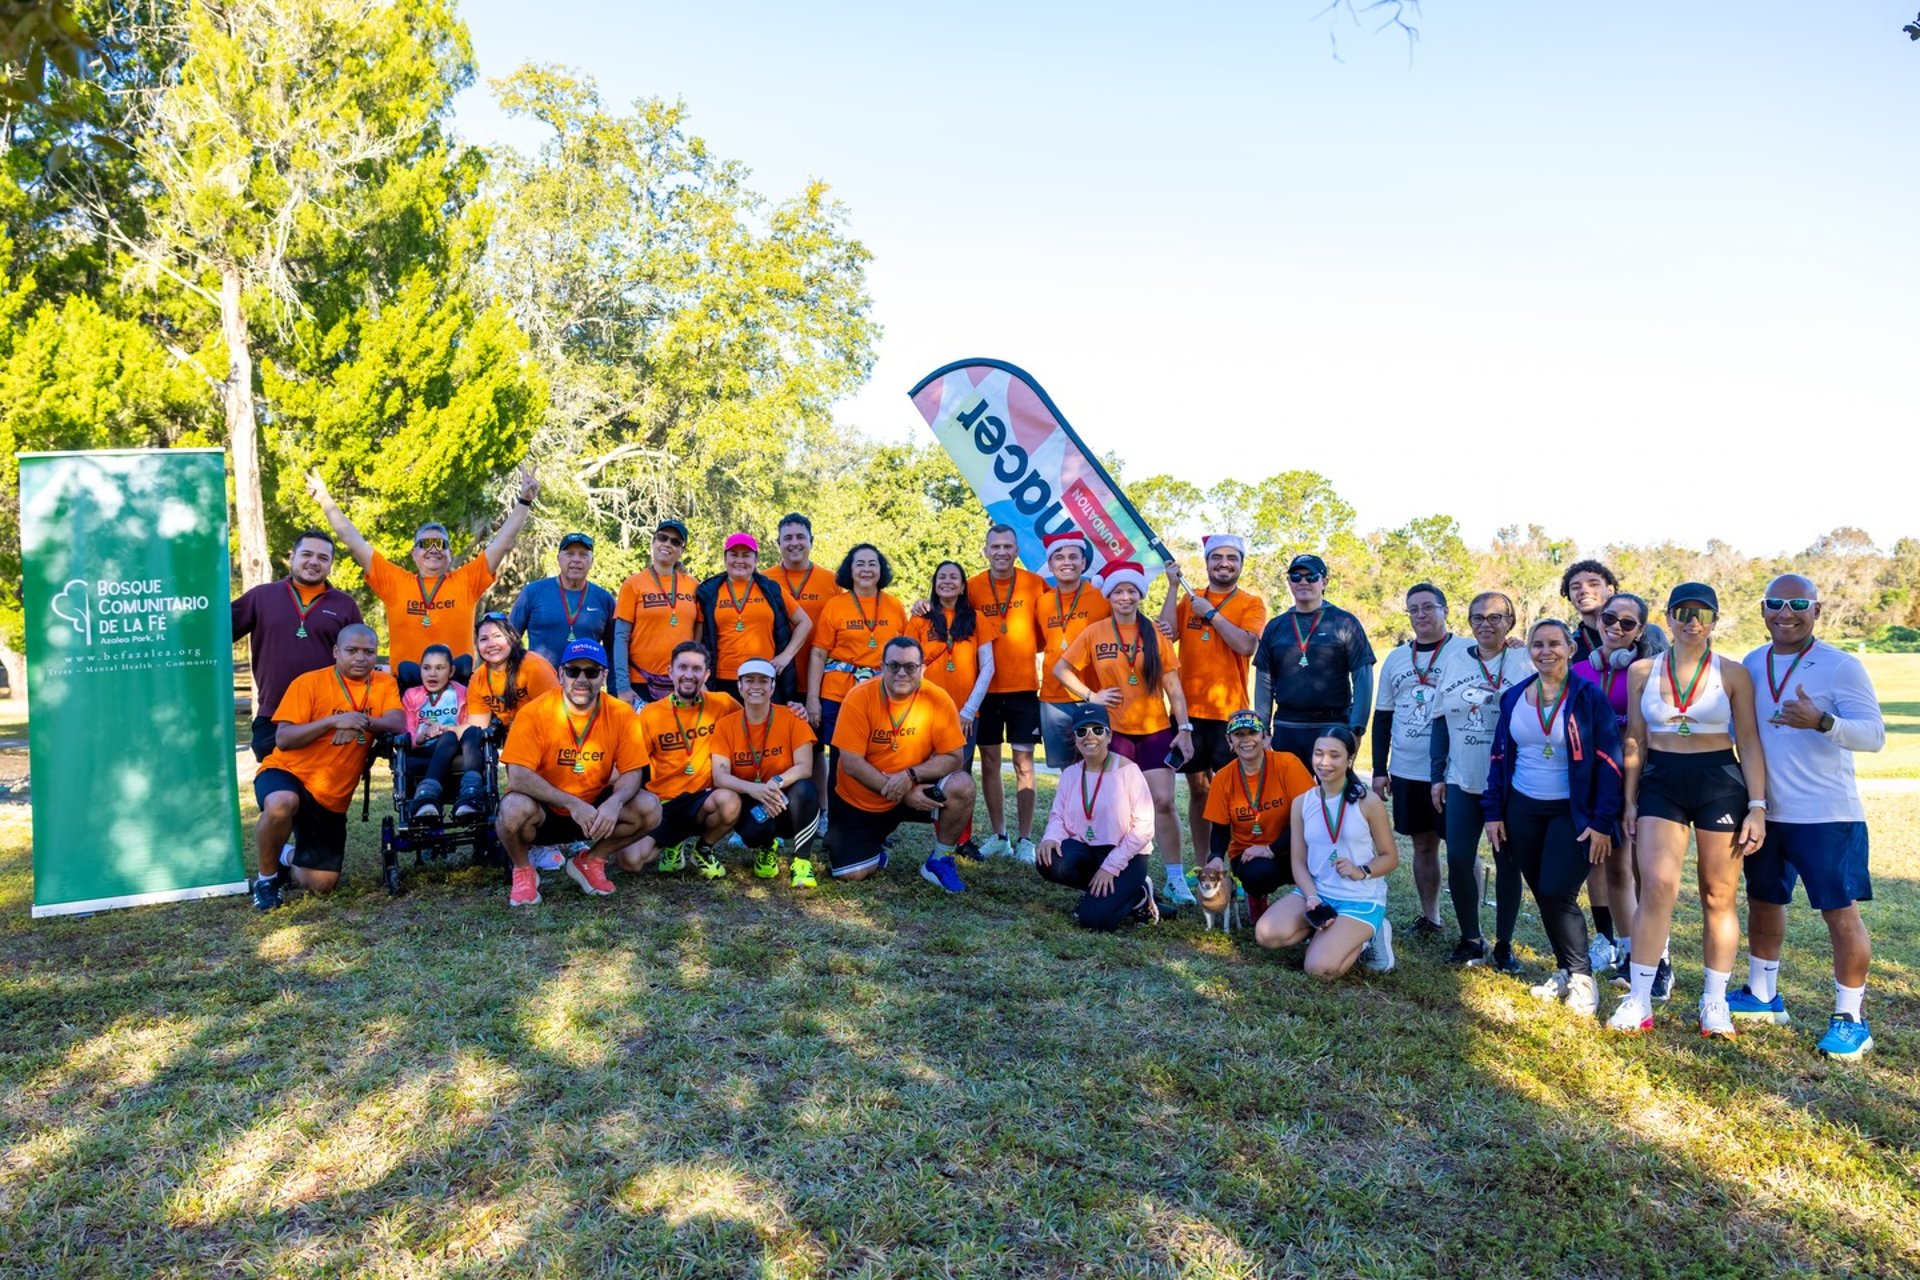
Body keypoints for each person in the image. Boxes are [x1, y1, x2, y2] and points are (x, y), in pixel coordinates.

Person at [1731, 575, 1885, 1058]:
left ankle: (1850, 1018)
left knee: (1840, 915)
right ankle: (1762, 994)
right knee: (1763, 900)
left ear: (1817, 609)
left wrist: (1823, 721)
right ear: (1763, 609)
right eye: (1776, 603)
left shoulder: (1842, 666)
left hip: (1827, 815)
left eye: (1799, 603)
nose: (1786, 612)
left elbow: (1874, 735)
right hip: (1766, 813)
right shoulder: (1753, 662)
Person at [1611, 583, 1769, 1036]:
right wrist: (1629, 800)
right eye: (1683, 611)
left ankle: (1714, 1001)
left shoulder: (1733, 673)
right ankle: (1639, 998)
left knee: (1717, 893)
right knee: (1658, 885)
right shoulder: (1642, 670)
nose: (1692, 620)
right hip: (1662, 781)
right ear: (1669, 618)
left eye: (1702, 612)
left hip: (1720, 780)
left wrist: (1757, 806)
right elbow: (1635, 739)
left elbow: (1751, 743)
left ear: (1715, 620)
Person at [1482, 620, 1623, 1018]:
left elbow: (1610, 764)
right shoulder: (1513, 697)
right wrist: (1493, 812)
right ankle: (1564, 969)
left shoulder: (1588, 697)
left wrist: (1601, 821)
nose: (1547, 651)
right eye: (1538, 644)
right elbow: (1498, 757)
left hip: (1572, 811)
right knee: (1543, 893)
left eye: (1555, 644)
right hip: (1523, 808)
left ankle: (1582, 979)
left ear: (1571, 648)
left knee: (1558, 890)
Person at [306, 465, 538, 685]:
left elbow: (502, 543)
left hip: (456, 688)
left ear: (449, 553)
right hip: (406, 687)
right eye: (425, 543)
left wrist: (524, 501)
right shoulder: (394, 582)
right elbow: (354, 541)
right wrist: (326, 501)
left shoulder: (467, 580)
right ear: (413, 552)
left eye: (441, 543)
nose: (434, 548)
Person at [1053, 561, 1195, 906]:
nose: (1126, 597)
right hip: (1112, 733)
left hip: (1155, 729)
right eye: (1119, 591)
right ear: (1110, 595)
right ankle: (1128, 873)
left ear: (1140, 594)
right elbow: (1061, 668)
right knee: (1116, 809)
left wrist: (1185, 728)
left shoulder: (1155, 633)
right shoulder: (1095, 631)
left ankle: (1175, 878)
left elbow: (1173, 686)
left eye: (1132, 590)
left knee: (1162, 802)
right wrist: (1091, 696)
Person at [249, 624, 404, 910]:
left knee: (321, 884)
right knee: (281, 802)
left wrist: (360, 721)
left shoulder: (384, 683)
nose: (361, 658)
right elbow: (283, 739)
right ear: (335, 652)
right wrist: (333, 721)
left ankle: (283, 856)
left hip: (331, 796)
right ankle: (266, 880)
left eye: (369, 652)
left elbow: (397, 723)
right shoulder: (309, 682)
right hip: (288, 772)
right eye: (352, 650)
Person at [496, 639, 660, 907]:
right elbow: (518, 776)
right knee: (511, 809)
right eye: (573, 671)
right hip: (545, 810)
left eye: (592, 672)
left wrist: (614, 803)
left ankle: (592, 861)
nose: (581, 679)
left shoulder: (621, 713)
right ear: (560, 674)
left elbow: (633, 771)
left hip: (594, 809)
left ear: (604, 677)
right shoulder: (534, 713)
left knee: (650, 807)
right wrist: (571, 803)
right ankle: (523, 870)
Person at [826, 635, 977, 890]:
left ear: (923, 669)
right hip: (862, 800)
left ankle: (940, 860)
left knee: (962, 786)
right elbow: (851, 762)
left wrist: (910, 777)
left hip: (914, 786)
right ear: (881, 666)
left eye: (910, 667)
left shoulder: (938, 699)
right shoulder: (858, 697)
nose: (901, 673)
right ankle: (871, 850)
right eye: (894, 666)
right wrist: (902, 793)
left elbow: (955, 757)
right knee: (850, 874)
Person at [1430, 593, 1529, 970]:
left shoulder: (1523, 659)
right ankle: (1470, 938)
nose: (1486, 625)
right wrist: (1438, 774)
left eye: (1495, 617)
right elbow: (1439, 720)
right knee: (1457, 857)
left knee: (1508, 862)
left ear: (1510, 621)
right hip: (1461, 777)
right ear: (1468, 622)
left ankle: (1504, 944)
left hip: (1510, 780)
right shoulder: (1454, 662)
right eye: (1478, 618)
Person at [1161, 534, 1268, 878]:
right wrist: (1173, 588)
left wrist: (1212, 616)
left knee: (1233, 794)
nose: (1224, 564)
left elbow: (1246, 646)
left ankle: (1232, 863)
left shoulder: (1251, 603)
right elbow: (1166, 636)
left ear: (1240, 564)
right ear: (1206, 563)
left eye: (1231, 558)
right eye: (1216, 558)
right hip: (1188, 715)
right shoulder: (1190, 599)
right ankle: (1204, 861)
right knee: (1198, 790)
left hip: (1230, 717)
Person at [1254, 725, 1399, 976]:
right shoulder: (1302, 802)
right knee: (1266, 933)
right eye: (1318, 753)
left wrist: (1361, 870)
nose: (1324, 762)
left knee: (1318, 968)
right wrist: (1311, 897)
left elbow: (1391, 857)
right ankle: (1327, 930)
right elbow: (1298, 861)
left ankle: (1370, 937)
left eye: (1334, 755)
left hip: (1359, 899)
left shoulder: (1368, 802)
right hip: (1318, 893)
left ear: (1350, 759)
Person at [1569, 591, 1653, 980]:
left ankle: (1640, 950)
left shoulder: (1646, 670)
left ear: (1640, 631)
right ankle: (1613, 943)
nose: (1615, 628)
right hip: (1589, 782)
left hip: (1631, 780)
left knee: (1629, 869)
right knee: (1600, 864)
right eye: (1608, 619)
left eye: (1627, 623)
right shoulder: (1580, 672)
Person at [231, 527, 364, 762]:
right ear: (292, 556)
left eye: (323, 557)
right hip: (274, 714)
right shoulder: (261, 597)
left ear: (331, 564)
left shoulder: (345, 605)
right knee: (277, 790)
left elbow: (360, 663)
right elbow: (214, 633)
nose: (314, 562)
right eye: (307, 554)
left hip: (328, 718)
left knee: (319, 794)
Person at [1370, 582, 1452, 941]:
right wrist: (1377, 768)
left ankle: (1472, 926)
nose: (1420, 615)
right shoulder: (1396, 658)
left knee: (1462, 849)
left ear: (1444, 610)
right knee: (1422, 844)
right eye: (1413, 609)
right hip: (1407, 768)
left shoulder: (1466, 652)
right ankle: (1430, 916)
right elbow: (1383, 716)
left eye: (1428, 607)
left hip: (1453, 770)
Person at [1035, 703, 1162, 930]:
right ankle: (1110, 892)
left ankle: (1139, 894)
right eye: (1082, 731)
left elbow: (1144, 829)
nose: (1089, 736)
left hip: (1125, 857)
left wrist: (1111, 867)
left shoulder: (1128, 771)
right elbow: (1058, 816)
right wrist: (1051, 837)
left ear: (1109, 735)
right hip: (1088, 850)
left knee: (1094, 920)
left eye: (1097, 730)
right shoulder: (1072, 773)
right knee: (1047, 860)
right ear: (1075, 737)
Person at [626, 642, 742, 879]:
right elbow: (632, 763)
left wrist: (793, 710)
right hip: (664, 804)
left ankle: (703, 849)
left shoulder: (723, 704)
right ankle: (674, 843)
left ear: (707, 675)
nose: (689, 675)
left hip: (703, 799)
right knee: (630, 861)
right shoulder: (650, 714)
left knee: (730, 801)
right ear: (671, 672)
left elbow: (755, 719)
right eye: (683, 667)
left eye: (697, 669)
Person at [968, 523, 1048, 862]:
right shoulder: (971, 586)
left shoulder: (1034, 584)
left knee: (1024, 763)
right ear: (985, 550)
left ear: (1017, 551)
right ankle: (1000, 835)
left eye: (1007, 546)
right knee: (988, 761)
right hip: (984, 690)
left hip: (1024, 689)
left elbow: (1046, 631)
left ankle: (1026, 839)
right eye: (995, 546)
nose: (1001, 552)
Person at [1252, 553, 1375, 769]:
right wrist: (1263, 729)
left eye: (1311, 577)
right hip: (1287, 727)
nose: (1303, 582)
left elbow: (1363, 676)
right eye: (1296, 577)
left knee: (1332, 799)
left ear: (1324, 581)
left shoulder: (1344, 622)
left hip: (1332, 726)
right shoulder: (1276, 626)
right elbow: (1263, 680)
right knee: (1289, 800)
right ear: (1289, 581)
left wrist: (1357, 729)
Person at [906, 561, 996, 855]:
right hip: (926, 712)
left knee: (961, 774)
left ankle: (961, 839)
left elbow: (987, 667)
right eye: (941, 577)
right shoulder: (921, 619)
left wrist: (968, 710)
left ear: (962, 586)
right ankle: (930, 830)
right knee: (923, 769)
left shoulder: (977, 619)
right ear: (934, 583)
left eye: (953, 578)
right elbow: (909, 665)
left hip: (965, 715)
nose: (947, 582)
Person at [808, 543, 908, 800]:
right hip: (838, 693)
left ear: (881, 570)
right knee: (842, 758)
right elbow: (818, 653)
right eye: (859, 564)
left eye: (872, 563)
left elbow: (907, 652)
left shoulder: (894, 605)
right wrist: (812, 700)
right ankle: (834, 821)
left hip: (880, 694)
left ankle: (873, 821)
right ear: (849, 570)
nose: (866, 570)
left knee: (879, 755)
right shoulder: (835, 605)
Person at [711, 658, 822, 888]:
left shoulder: (792, 717)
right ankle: (767, 846)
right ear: (739, 686)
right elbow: (720, 776)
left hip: (784, 797)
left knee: (807, 789)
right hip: (751, 799)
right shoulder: (726, 725)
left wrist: (775, 783)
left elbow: (805, 766)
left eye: (763, 681)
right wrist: (756, 789)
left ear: (772, 687)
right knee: (753, 833)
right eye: (749, 680)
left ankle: (802, 862)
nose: (756, 686)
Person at [1201, 709, 1316, 924]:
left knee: (1321, 861)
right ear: (1229, 740)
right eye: (1239, 735)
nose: (1246, 740)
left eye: (1252, 733)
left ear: (1265, 737)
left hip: (1294, 844)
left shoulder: (1287, 764)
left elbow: (1307, 816)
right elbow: (1220, 828)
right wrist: (1216, 855)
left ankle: (1316, 904)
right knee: (1257, 874)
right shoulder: (1223, 778)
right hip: (1249, 854)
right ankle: (1257, 899)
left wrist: (1271, 849)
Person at [771, 513, 842, 800]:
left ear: (811, 541)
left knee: (814, 749)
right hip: (776, 680)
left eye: (800, 536)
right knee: (770, 747)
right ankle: (767, 810)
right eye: (787, 537)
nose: (794, 543)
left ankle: (822, 811)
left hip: (817, 680)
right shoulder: (764, 578)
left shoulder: (832, 581)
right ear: (778, 543)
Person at [695, 532, 811, 703]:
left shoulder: (771, 589)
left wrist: (786, 655)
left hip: (763, 677)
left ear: (755, 560)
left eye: (746, 555)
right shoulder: (708, 591)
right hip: (722, 680)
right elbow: (697, 641)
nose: (739, 561)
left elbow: (805, 622)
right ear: (725, 558)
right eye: (734, 555)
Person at [1036, 532, 1111, 772]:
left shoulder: (1103, 596)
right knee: (1066, 770)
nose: (1066, 562)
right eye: (1059, 557)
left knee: (1097, 765)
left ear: (1083, 562)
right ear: (1050, 564)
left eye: (1073, 557)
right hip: (1053, 697)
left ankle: (1098, 810)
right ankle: (1070, 810)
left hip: (1094, 694)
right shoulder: (1042, 601)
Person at [613, 518, 701, 706]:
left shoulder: (693, 586)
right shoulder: (633, 584)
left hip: (681, 682)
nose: (668, 544)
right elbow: (620, 638)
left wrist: (697, 676)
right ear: (654, 541)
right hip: (641, 683)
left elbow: (698, 636)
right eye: (663, 538)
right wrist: (622, 687)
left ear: (681, 550)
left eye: (675, 542)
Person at [398, 643, 488, 821]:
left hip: (462, 747)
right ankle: (427, 791)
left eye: (440, 668)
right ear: (420, 670)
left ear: (451, 671)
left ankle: (471, 791)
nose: (432, 673)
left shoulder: (462, 693)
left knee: (472, 731)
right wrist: (420, 738)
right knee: (448, 738)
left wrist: (450, 729)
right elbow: (407, 733)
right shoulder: (411, 695)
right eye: (427, 668)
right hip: (427, 748)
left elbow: (471, 725)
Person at [508, 532, 615, 668]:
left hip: (584, 683)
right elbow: (510, 640)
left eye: (583, 554)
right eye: (569, 554)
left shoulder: (604, 599)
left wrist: (615, 688)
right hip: (539, 683)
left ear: (591, 561)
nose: (576, 559)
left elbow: (613, 650)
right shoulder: (533, 592)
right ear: (558, 558)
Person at [468, 611, 561, 737]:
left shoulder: (534, 667)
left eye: (497, 636)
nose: (491, 644)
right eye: (484, 639)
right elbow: (477, 727)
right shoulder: (478, 679)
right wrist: (444, 729)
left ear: (511, 638)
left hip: (545, 735)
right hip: (512, 741)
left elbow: (555, 717)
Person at [1562, 559, 1669, 664]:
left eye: (1593, 584)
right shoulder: (1568, 645)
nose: (1584, 591)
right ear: (1570, 596)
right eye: (1575, 587)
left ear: (1610, 590)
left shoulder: (1651, 634)